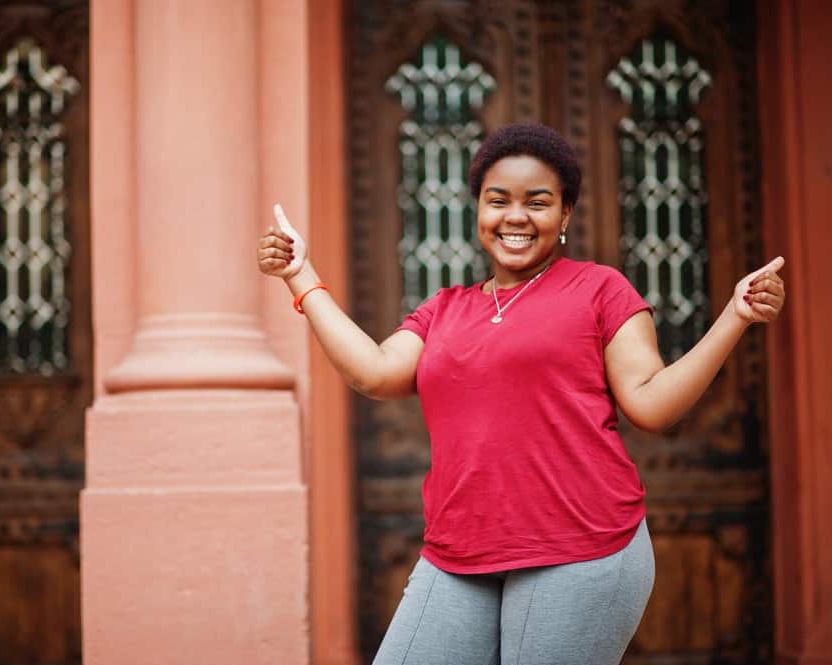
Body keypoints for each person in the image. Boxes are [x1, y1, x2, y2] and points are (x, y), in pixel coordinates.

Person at [256, 123, 785, 665]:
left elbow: (650, 403)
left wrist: (734, 317)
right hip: (458, 553)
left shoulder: (599, 289)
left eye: (538, 202)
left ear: (565, 215)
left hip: (581, 548)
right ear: (479, 210)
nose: (515, 216)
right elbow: (374, 372)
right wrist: (302, 277)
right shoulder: (445, 308)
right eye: (498, 200)